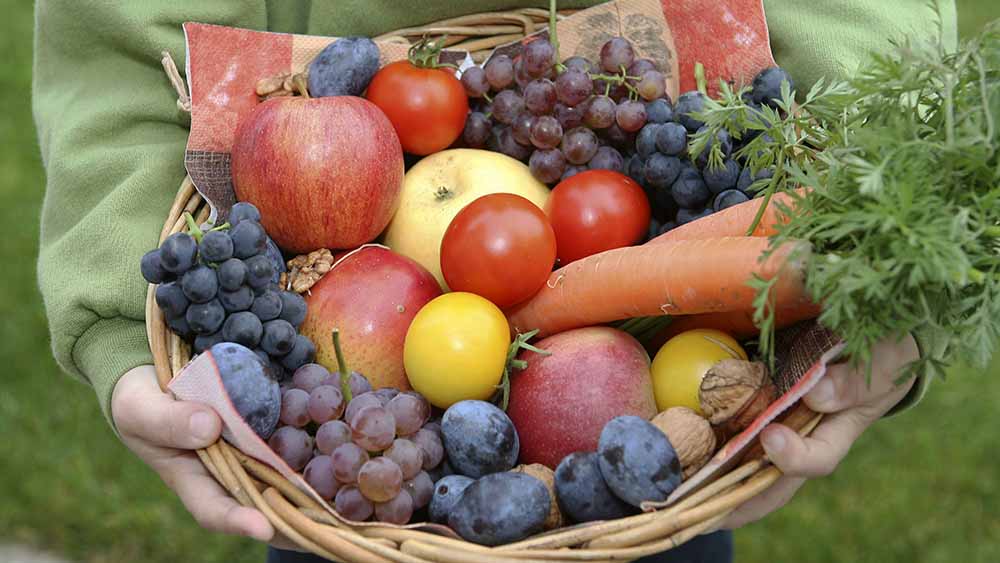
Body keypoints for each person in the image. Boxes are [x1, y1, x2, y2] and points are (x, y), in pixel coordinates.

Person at [32, 1, 956, 562]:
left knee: (644, 503)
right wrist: (123, 325)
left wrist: (883, 278)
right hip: (354, 503)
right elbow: (114, 31)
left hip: (634, 473)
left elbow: (863, 22)